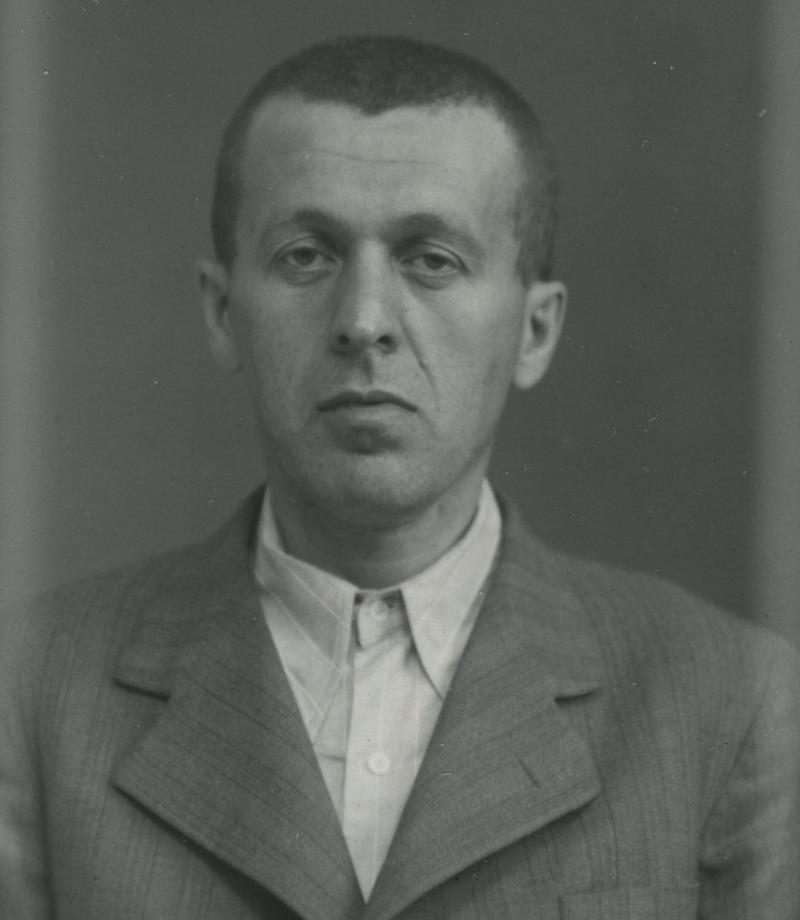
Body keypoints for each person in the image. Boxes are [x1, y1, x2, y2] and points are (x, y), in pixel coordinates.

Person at [1, 34, 798, 920]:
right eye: (306, 255)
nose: (365, 321)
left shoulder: (735, 704)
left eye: (432, 259)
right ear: (223, 311)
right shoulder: (30, 695)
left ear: (534, 331)